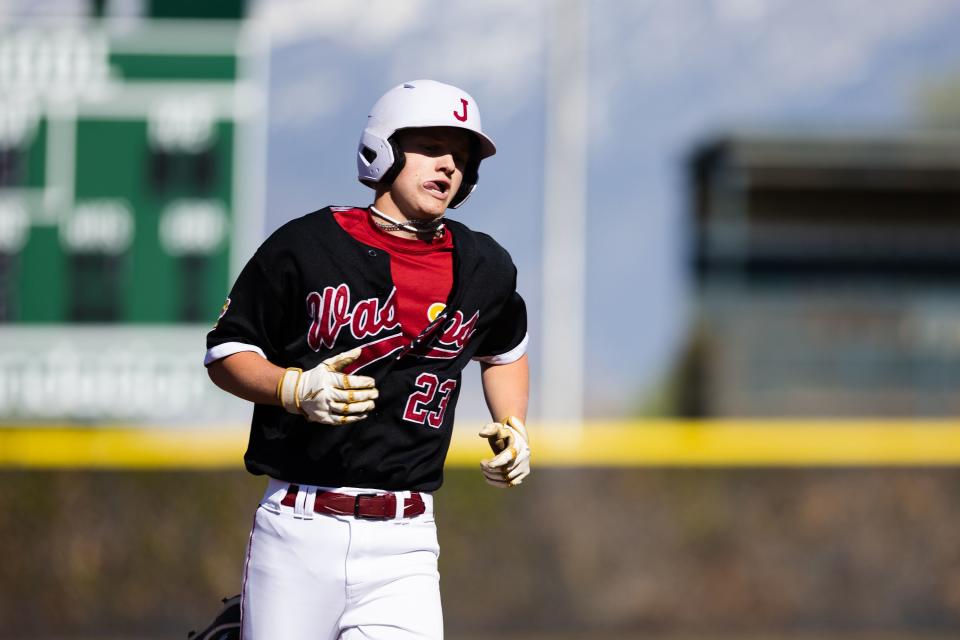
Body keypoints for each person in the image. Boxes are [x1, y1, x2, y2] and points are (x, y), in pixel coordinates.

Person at [204, 79, 531, 640]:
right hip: (298, 529)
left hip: (405, 541)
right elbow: (226, 351)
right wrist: (292, 389)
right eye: (430, 145)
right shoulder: (306, 245)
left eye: (461, 156)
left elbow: (505, 350)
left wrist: (513, 424)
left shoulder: (485, 267)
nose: (448, 165)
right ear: (384, 149)